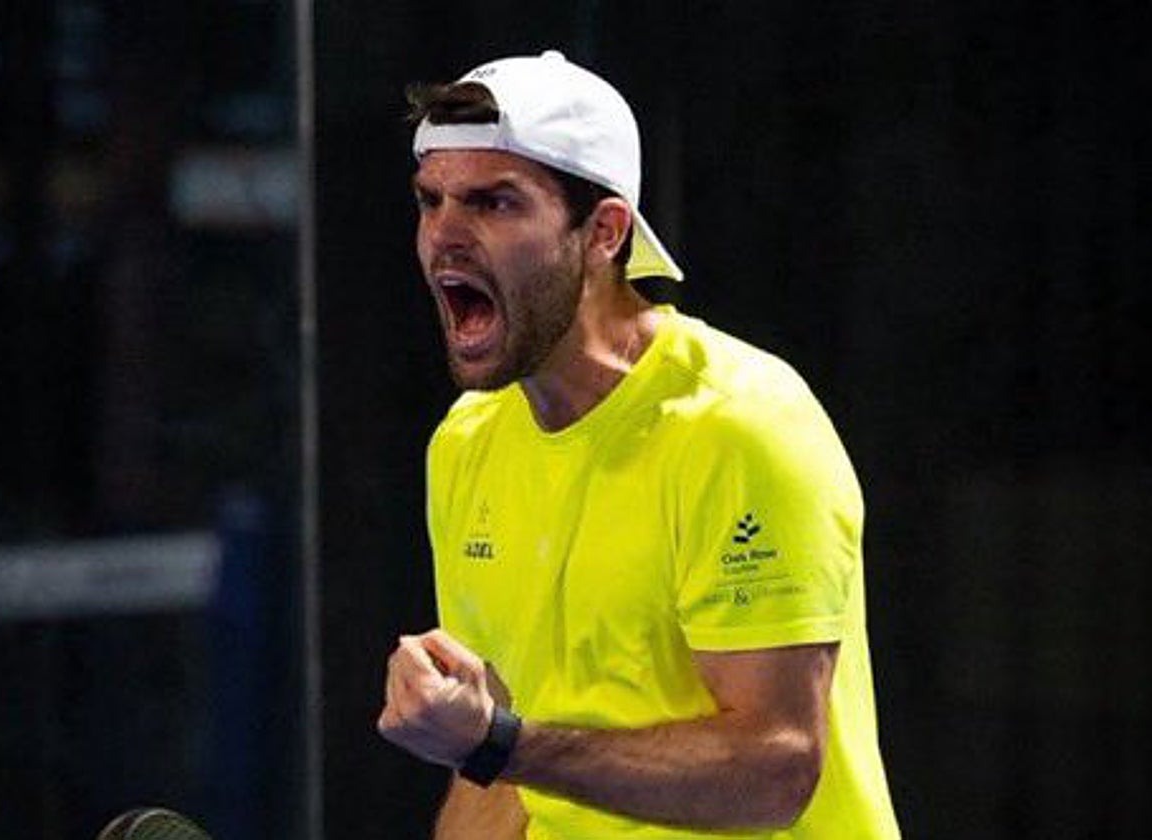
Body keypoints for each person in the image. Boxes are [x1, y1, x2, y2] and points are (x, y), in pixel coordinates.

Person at [378, 50, 900, 840]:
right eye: (430, 201)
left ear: (604, 232)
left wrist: (503, 744)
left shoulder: (741, 426)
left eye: (493, 203)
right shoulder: (467, 443)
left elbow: (776, 768)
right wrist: (493, 744)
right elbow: (499, 770)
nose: (444, 236)